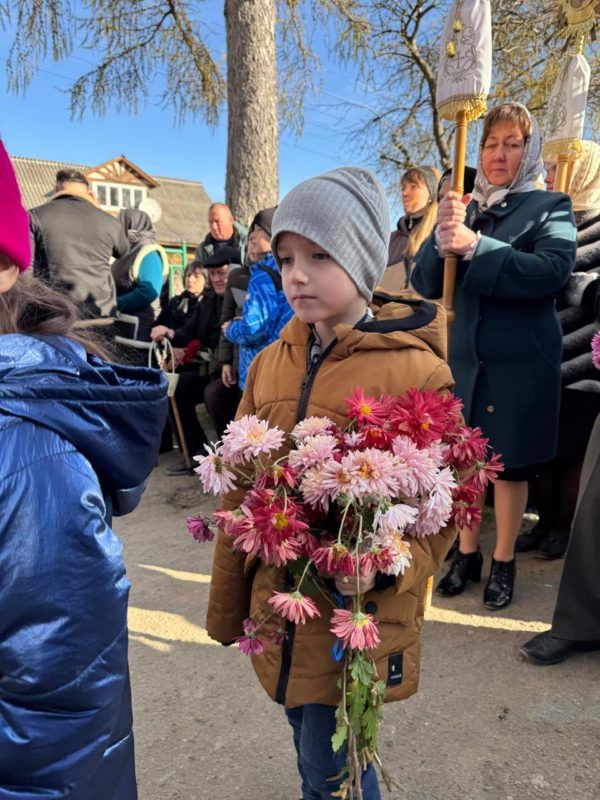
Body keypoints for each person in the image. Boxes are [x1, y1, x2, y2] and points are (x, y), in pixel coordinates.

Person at [206, 166, 456, 800]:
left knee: (335, 761)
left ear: (364, 259)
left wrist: (389, 562)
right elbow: (239, 489)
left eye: (319, 256)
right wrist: (228, 605)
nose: (296, 273)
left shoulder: (415, 371)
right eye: (288, 257)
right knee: (306, 735)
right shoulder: (270, 361)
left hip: (351, 608)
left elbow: (447, 507)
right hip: (279, 599)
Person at [0, 139, 168, 797]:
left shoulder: (27, 461)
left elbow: (57, 697)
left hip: (58, 346)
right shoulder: (113, 228)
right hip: (80, 330)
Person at [412, 102, 577, 609]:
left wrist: (477, 246)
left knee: (507, 467)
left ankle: (503, 559)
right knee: (463, 465)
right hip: (465, 359)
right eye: (490, 144)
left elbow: (552, 271)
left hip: (520, 362)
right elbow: (424, 283)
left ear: (528, 152)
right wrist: (441, 239)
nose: (498, 154)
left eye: (512, 144)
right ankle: (466, 553)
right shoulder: (464, 205)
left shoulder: (551, 205)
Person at [517, 142, 600, 558]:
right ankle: (542, 521)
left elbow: (591, 288)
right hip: (540, 354)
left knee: (570, 454)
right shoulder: (547, 219)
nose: (550, 173)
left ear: (584, 170)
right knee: (542, 453)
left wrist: (558, 275)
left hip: (584, 356)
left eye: (560, 166)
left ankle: (562, 529)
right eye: (548, 167)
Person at [151, 249, 231, 475]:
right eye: (213, 274)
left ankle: (230, 456)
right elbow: (187, 332)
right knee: (176, 387)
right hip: (209, 368)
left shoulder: (240, 296)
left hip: (233, 370)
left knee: (214, 394)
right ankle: (198, 454)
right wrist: (168, 332)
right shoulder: (207, 302)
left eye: (221, 273)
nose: (217, 279)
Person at [29, 168, 129, 319]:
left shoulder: (35, 215)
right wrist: (98, 209)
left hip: (54, 315)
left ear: (55, 189)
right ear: (89, 192)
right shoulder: (109, 221)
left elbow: (25, 269)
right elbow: (123, 251)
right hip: (101, 314)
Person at [222, 206, 293, 390]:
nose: (252, 236)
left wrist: (230, 328)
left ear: (274, 234)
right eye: (252, 230)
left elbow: (254, 331)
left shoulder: (262, 275)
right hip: (286, 369)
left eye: (259, 230)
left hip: (261, 373)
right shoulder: (290, 270)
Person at [112, 208, 170, 346]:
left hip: (140, 336)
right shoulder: (127, 252)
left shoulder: (149, 253)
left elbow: (148, 292)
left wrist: (114, 303)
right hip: (123, 332)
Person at [378, 166, 439, 294]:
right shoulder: (389, 240)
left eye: (413, 186)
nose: (404, 193)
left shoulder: (440, 236)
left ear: (431, 193)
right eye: (403, 188)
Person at [155, 261, 206, 331]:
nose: (190, 280)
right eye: (188, 275)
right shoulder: (175, 302)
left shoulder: (207, 306)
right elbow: (158, 324)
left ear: (206, 280)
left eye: (196, 276)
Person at [197, 202, 248, 267]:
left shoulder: (249, 244)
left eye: (217, 221)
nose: (214, 227)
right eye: (210, 222)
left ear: (231, 220)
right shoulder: (202, 250)